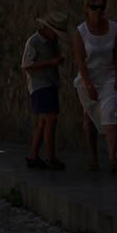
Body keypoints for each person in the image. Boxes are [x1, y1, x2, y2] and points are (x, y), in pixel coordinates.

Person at [73, 0, 117, 172]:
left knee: (111, 112)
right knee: (90, 119)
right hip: (89, 79)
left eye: (101, 7)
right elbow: (80, 59)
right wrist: (88, 84)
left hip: (109, 77)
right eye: (94, 7)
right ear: (87, 9)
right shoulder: (81, 31)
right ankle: (94, 156)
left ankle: (112, 156)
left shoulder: (113, 29)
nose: (98, 11)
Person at [22, 12, 69, 170]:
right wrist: (51, 63)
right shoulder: (34, 42)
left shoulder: (52, 42)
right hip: (39, 84)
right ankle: (51, 157)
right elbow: (27, 65)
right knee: (51, 119)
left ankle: (33, 155)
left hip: (51, 82)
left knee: (43, 122)